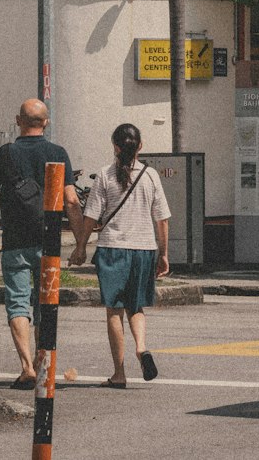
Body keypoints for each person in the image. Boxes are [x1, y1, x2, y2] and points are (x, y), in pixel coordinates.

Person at [0, 99, 84, 389]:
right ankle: (42, 361)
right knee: (45, 305)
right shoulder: (57, 153)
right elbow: (71, 201)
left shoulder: (5, 154)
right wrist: (80, 242)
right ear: (46, 122)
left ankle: (26, 367)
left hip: (14, 241)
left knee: (17, 303)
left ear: (17, 120)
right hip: (48, 242)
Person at [70, 122, 170, 389]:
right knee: (135, 306)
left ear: (115, 146)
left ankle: (119, 373)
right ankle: (141, 347)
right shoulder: (151, 176)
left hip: (113, 248)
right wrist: (164, 253)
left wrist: (81, 246)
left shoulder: (104, 175)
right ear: (140, 146)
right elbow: (161, 219)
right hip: (145, 248)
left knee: (114, 310)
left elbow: (91, 215)